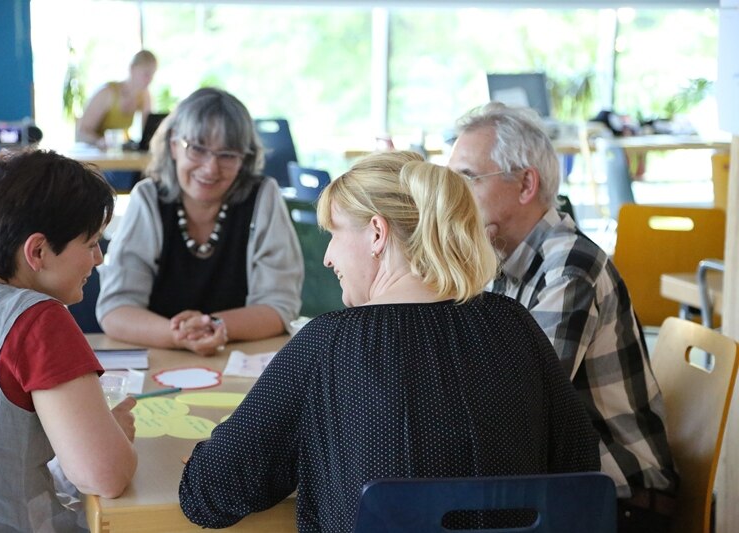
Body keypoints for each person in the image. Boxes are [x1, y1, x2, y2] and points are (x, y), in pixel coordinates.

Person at [178, 151, 601, 531]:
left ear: (377, 233)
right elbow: (579, 465)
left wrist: (209, 457)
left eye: (335, 232)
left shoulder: (326, 345)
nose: (327, 257)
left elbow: (209, 497)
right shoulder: (515, 324)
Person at [448, 102, 677, 533]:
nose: (454, 198)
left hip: (622, 499)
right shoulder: (502, 260)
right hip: (564, 480)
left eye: (466, 180)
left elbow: (516, 402)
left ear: (525, 184)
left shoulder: (570, 267)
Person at [0, 149, 137, 531]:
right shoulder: (37, 320)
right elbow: (104, 475)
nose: (98, 258)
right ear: (38, 251)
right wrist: (113, 434)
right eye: (92, 242)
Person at [96, 87, 304, 356]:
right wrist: (179, 336)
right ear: (174, 146)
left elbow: (280, 307)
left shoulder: (263, 196)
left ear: (245, 158)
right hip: (158, 358)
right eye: (197, 149)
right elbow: (115, 310)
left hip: (239, 362)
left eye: (227, 154)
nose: (210, 168)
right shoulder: (148, 198)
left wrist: (214, 326)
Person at [76, 49, 157, 147]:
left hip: (117, 153)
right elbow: (80, 133)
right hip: (94, 153)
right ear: (132, 69)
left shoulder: (144, 95)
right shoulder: (107, 93)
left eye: (152, 75)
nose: (149, 80)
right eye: (146, 74)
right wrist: (98, 141)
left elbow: (149, 133)